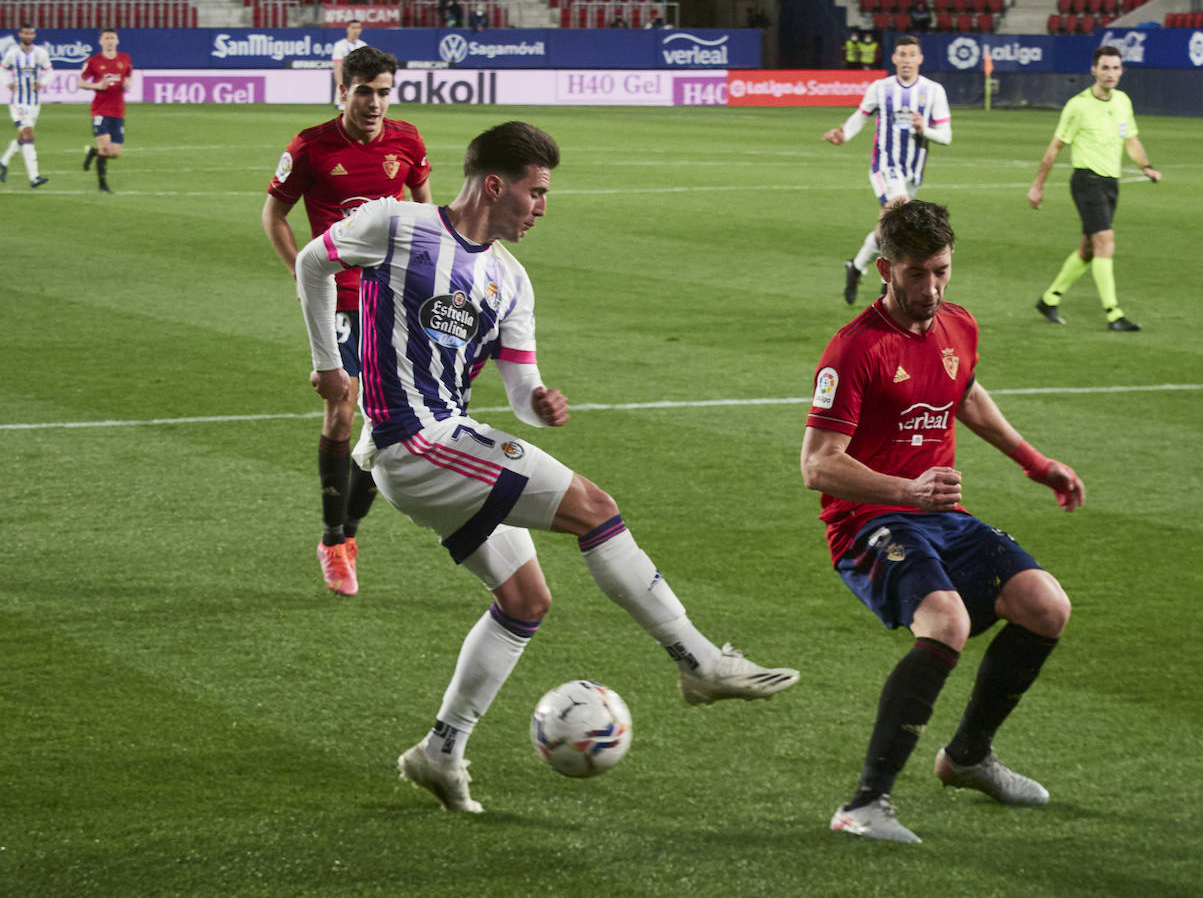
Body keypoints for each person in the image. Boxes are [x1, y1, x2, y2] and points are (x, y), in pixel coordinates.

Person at [293, 120, 800, 812]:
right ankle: (700, 662)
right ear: (495, 185)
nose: (541, 207)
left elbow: (520, 388)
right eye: (536, 192)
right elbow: (311, 263)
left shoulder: (509, 279)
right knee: (596, 507)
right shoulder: (397, 224)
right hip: (411, 440)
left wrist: (539, 402)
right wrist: (329, 363)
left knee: (526, 602)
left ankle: (440, 752)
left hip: (445, 440)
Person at [801, 199, 1083, 844]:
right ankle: (865, 805)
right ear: (885, 268)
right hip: (868, 520)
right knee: (947, 622)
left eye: (942, 271)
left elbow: (966, 396)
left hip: (938, 516)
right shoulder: (854, 350)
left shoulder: (958, 324)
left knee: (1045, 605)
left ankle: (967, 757)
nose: (931, 288)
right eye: (917, 274)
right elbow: (818, 467)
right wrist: (909, 488)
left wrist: (1036, 463)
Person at [263, 46, 433, 597]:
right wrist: (303, 274)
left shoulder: (407, 142)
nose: (375, 103)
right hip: (339, 295)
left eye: (384, 91)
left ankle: (350, 533)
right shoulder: (311, 147)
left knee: (395, 425)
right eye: (365, 91)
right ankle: (333, 540)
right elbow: (275, 214)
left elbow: (426, 214)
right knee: (342, 402)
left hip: (395, 296)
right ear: (343, 91)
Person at [1027, 45, 1160, 332]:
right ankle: (1114, 314)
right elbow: (1055, 147)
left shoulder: (1123, 101)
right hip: (1087, 181)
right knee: (1105, 241)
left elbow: (1131, 140)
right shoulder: (1078, 106)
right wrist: (1038, 185)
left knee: (1088, 250)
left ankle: (1049, 299)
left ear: (1121, 71)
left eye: (1115, 68)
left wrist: (1146, 166)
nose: (1110, 73)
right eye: (1105, 68)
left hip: (1111, 183)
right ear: (1094, 70)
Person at [823, 35, 951, 305]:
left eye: (911, 54)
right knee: (900, 209)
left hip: (913, 172)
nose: (906, 60)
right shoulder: (880, 88)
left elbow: (946, 135)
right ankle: (888, 288)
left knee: (887, 229)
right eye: (901, 54)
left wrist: (923, 129)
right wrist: (844, 134)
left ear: (920, 59)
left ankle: (856, 266)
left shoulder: (934, 91)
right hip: (885, 166)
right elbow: (861, 115)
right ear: (894, 58)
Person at [77, 28, 131, 195]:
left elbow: (129, 75)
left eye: (112, 38)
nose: (109, 41)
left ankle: (93, 152)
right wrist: (97, 86)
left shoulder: (125, 59)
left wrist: (128, 83)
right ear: (100, 41)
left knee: (114, 153)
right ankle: (103, 185)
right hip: (100, 109)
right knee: (106, 147)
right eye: (106, 38)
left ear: (117, 41)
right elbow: (80, 83)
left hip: (118, 110)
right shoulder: (93, 61)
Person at [0, 22, 52, 188]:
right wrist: (7, 82)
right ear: (20, 35)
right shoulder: (12, 53)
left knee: (23, 137)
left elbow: (49, 70)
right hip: (18, 102)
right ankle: (34, 177)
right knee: (29, 135)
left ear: (34, 36)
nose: (28, 36)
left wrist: (42, 82)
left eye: (31, 33)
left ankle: (3, 161)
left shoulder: (41, 53)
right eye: (25, 33)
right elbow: (2, 69)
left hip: (34, 102)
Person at [331, 20, 366, 112]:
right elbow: (337, 67)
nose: (355, 30)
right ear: (348, 29)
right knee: (343, 111)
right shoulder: (340, 45)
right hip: (345, 82)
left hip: (358, 82)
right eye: (353, 28)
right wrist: (340, 85)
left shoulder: (363, 45)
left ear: (361, 30)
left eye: (358, 28)